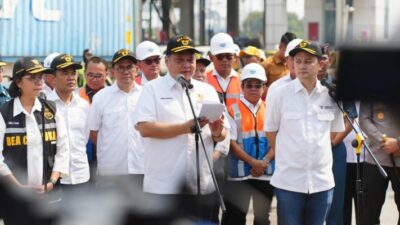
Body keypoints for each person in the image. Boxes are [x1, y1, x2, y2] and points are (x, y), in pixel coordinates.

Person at [135, 35, 227, 223]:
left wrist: (218, 131)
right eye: (180, 59)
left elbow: (220, 136)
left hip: (202, 184)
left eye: (190, 59)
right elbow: (145, 128)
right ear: (166, 61)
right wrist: (185, 128)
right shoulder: (152, 89)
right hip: (165, 185)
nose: (186, 64)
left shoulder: (207, 90)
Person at [264, 41, 345, 225]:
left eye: (308, 61)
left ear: (320, 64)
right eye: (298, 61)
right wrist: (287, 154)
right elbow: (270, 131)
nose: (301, 65)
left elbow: (334, 133)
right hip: (289, 182)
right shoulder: (279, 94)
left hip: (321, 182)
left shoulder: (330, 95)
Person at [0, 57, 69, 225]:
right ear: (18, 82)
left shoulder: (51, 110)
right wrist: (19, 187)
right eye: (32, 78)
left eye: (40, 77)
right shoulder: (4, 112)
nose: (39, 81)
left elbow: (63, 149)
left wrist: (52, 181)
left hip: (48, 196)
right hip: (15, 197)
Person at [222, 63, 274, 225]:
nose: (253, 89)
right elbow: (230, 142)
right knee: (235, 218)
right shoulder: (231, 110)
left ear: (264, 87)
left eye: (258, 85)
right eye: (249, 85)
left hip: (265, 174)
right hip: (239, 177)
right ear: (242, 87)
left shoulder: (270, 109)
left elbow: (277, 140)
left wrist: (263, 162)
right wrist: (253, 163)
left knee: (262, 219)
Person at [88, 49, 144, 190]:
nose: (125, 71)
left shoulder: (147, 94)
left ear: (137, 69)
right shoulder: (101, 97)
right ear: (113, 71)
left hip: (142, 167)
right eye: (120, 67)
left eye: (129, 67)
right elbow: (93, 131)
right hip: (111, 171)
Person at [319, 44, 357, 225]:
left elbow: (351, 116)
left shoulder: (338, 84)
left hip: (334, 149)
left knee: (336, 203)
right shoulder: (300, 86)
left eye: (323, 58)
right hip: (308, 150)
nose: (320, 63)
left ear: (329, 60)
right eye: (315, 59)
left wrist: (333, 142)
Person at [47, 54, 90, 195]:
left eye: (73, 73)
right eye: (64, 73)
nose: (71, 77)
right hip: (53, 179)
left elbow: (84, 137)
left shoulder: (84, 106)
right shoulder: (44, 106)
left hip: (81, 175)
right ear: (53, 78)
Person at [359, 101, 400, 225]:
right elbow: (364, 119)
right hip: (375, 159)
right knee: (369, 212)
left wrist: (398, 143)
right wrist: (384, 141)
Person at [207, 32, 241, 107]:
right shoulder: (204, 80)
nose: (224, 60)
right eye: (220, 56)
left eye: (228, 56)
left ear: (234, 57)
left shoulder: (243, 81)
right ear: (211, 57)